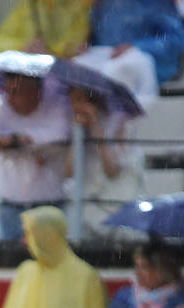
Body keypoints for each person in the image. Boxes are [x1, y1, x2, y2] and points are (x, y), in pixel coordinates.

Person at [0, 70, 72, 241]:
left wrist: (14, 140)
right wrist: (6, 141)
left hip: (48, 208)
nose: (9, 97)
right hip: (12, 207)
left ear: (35, 90)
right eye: (7, 90)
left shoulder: (55, 107)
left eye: (16, 91)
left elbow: (59, 135)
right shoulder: (3, 107)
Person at [62, 84, 145, 234]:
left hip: (116, 204)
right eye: (73, 100)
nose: (76, 106)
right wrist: (77, 136)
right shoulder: (73, 126)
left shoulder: (121, 124)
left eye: (80, 99)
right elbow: (69, 172)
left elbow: (111, 170)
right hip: (87, 208)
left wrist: (96, 127)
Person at [78, 0, 184, 108]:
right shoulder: (102, 4)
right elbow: (99, 37)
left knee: (119, 69)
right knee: (73, 68)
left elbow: (175, 39)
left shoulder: (157, 3)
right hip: (108, 59)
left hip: (153, 61)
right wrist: (87, 44)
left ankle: (123, 121)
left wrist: (136, 46)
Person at [0, 0, 93, 59]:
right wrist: (23, 48)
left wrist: (50, 53)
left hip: (55, 71)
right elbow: (0, 40)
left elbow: (76, 43)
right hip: (23, 66)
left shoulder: (79, 6)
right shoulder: (29, 5)